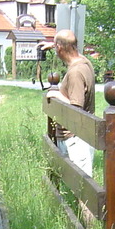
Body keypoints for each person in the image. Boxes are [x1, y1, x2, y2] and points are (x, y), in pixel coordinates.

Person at [39, 29, 95, 176]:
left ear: (60, 48)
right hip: (79, 137)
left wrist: (56, 94)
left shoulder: (76, 73)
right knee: (76, 188)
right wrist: (55, 45)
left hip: (76, 139)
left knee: (83, 191)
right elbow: (70, 49)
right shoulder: (85, 62)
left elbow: (76, 108)